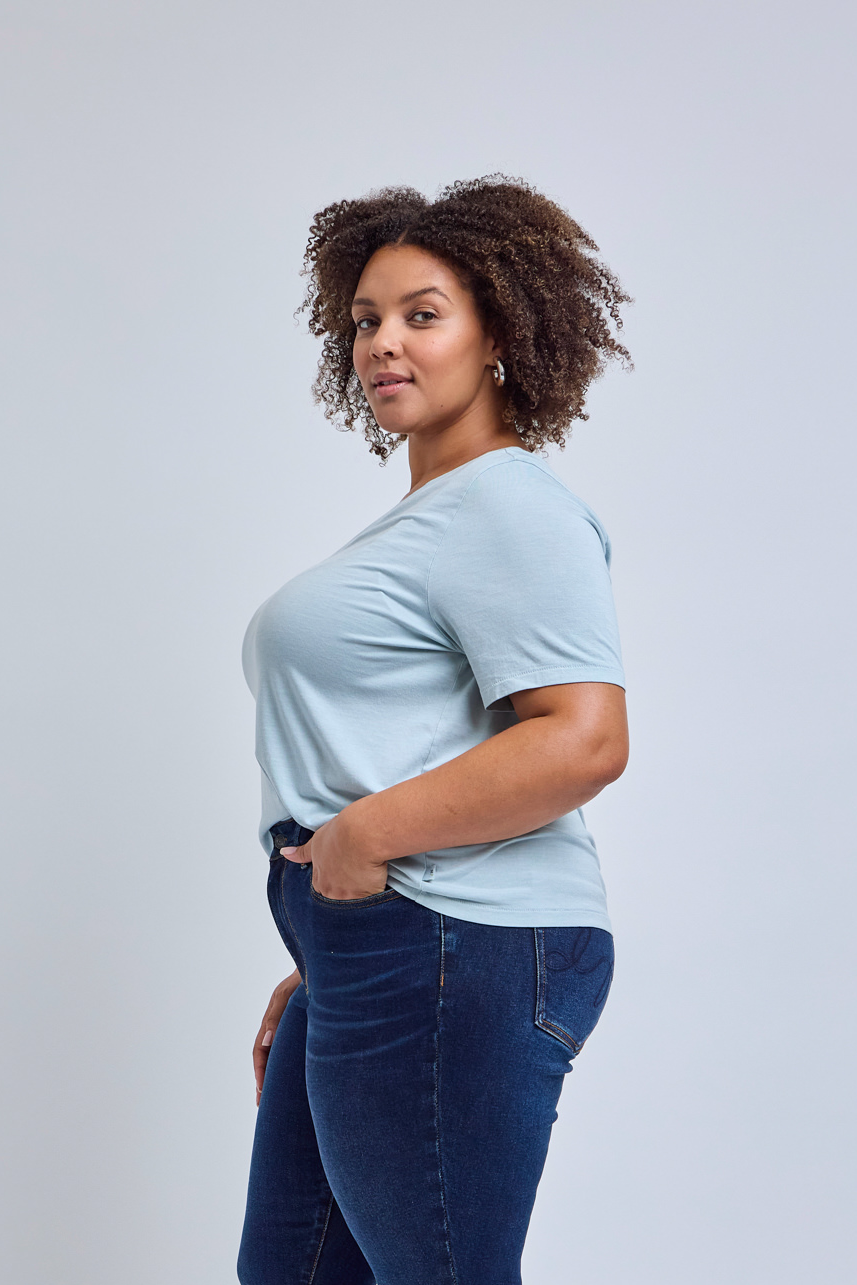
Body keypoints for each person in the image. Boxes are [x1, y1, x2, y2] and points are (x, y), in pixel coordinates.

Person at [237, 174, 632, 1285]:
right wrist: (326, 946)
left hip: (458, 942)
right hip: (382, 948)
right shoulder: (428, 520)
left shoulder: (507, 504)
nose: (381, 344)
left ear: (498, 332)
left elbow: (581, 738)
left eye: (422, 313)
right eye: (365, 320)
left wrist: (360, 845)